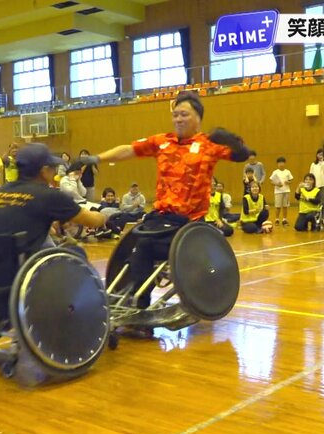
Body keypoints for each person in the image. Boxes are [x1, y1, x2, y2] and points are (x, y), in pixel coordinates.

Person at [79, 91, 252, 314]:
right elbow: (129, 150)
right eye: (176, 114)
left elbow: (241, 155)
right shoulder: (162, 142)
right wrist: (97, 158)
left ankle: (152, 299)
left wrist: (232, 140)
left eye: (184, 114)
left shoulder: (208, 144)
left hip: (188, 224)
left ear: (198, 119)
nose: (178, 119)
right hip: (159, 218)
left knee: (149, 245)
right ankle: (137, 304)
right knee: (140, 247)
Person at [0, 143, 106, 256]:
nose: (54, 171)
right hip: (18, 269)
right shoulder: (48, 195)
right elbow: (94, 221)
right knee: (77, 252)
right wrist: (104, 215)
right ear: (44, 170)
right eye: (53, 167)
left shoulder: (0, 192)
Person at [269, 156, 293, 226]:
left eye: (282, 162)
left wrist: (288, 182)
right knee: (278, 206)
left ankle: (284, 219)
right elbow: (271, 181)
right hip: (278, 191)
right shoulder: (275, 172)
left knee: (285, 206)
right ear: (277, 164)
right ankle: (277, 219)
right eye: (279, 163)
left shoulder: (287, 172)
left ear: (284, 163)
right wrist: (277, 184)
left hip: (286, 191)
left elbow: (291, 181)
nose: (281, 164)